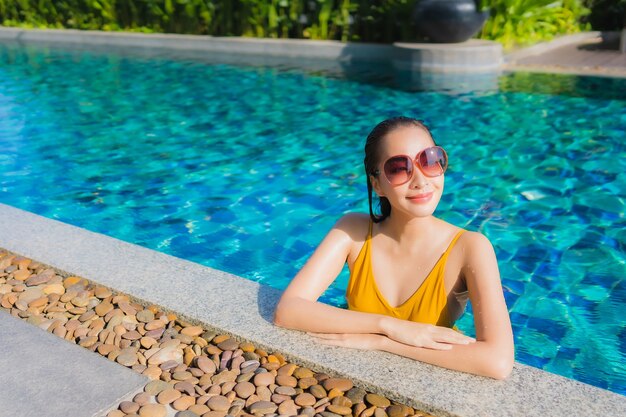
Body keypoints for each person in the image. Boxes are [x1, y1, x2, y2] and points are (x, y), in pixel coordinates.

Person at [273, 116, 514, 379]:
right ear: (377, 184)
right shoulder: (353, 231)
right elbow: (288, 310)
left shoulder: (470, 247)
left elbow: (497, 361)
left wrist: (384, 342)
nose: (421, 181)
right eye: (399, 168)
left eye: (430, 160)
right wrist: (387, 326)